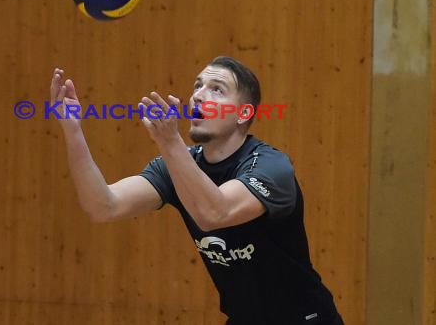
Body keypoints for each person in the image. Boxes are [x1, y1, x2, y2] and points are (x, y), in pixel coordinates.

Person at [50, 55, 344, 325]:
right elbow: (103, 206)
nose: (199, 95)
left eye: (217, 89)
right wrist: (72, 130)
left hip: (305, 318)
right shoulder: (178, 164)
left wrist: (170, 143)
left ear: (243, 113)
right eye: (198, 86)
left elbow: (215, 212)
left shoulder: (272, 167)